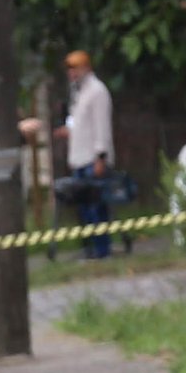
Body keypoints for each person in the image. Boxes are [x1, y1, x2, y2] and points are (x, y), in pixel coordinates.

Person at [56, 50, 117, 259]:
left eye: (76, 68)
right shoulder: (78, 92)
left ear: (86, 68)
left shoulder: (97, 91)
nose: (72, 73)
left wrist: (101, 157)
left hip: (93, 159)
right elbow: (76, 119)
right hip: (79, 158)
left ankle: (102, 250)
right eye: (69, 69)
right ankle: (90, 248)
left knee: (96, 207)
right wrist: (67, 129)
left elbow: (102, 127)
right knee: (83, 209)